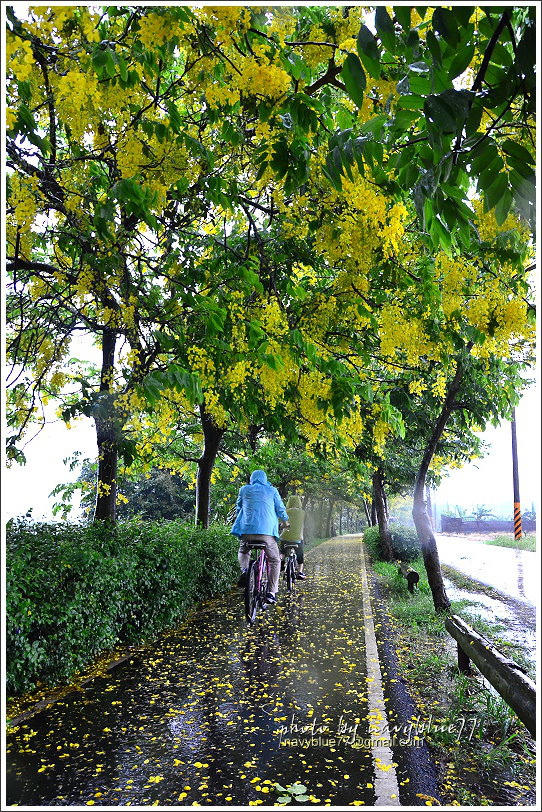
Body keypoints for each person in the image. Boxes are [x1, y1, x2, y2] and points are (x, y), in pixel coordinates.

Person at [230, 469, 289, 605]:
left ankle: (245, 570)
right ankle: (271, 593)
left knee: (243, 551)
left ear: (251, 479)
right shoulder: (272, 490)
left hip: (247, 531)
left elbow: (238, 508)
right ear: (265, 479)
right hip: (266, 533)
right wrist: (285, 521)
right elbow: (280, 509)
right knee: (274, 560)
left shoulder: (244, 490)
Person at [280, 494, 307, 579]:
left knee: (282, 552)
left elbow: (281, 525)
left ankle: (281, 565)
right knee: (300, 554)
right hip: (297, 538)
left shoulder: (285, 512)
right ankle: (300, 572)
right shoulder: (302, 513)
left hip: (285, 537)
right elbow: (303, 526)